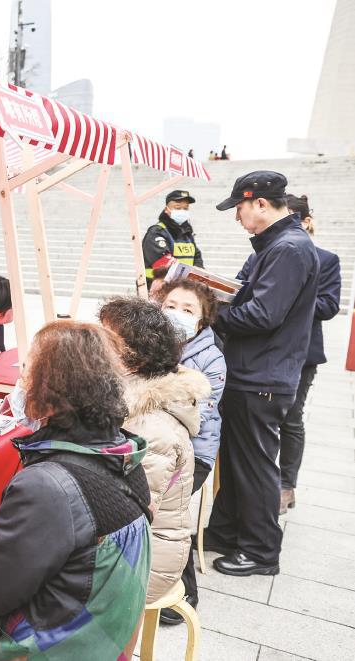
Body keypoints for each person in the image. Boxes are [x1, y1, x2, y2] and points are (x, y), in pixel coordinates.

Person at [0, 320, 152, 660]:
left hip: (57, 648)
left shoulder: (49, 485)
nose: (22, 382)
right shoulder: (124, 455)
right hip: (104, 639)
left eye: (28, 371)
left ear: (51, 390)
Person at [204, 171, 318, 577]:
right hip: (253, 370)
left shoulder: (289, 248)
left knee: (254, 465)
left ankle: (260, 550)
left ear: (261, 204)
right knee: (238, 461)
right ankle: (227, 532)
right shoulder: (277, 245)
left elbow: (263, 314)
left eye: (239, 208)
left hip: (263, 375)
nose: (238, 217)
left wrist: (210, 313)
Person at [98, 296, 209, 605]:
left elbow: (128, 516)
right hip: (129, 546)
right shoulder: (128, 399)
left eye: (104, 340)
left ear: (133, 360)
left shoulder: (150, 428)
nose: (92, 346)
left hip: (142, 564)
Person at [155, 278, 226, 624]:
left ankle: (184, 593)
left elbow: (199, 416)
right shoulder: (148, 342)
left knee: (165, 508)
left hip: (193, 452)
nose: (177, 314)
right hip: (154, 443)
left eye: (187, 309)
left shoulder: (212, 359)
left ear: (202, 319)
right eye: (170, 306)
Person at [278, 194, 341, 513]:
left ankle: (286, 485)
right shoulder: (269, 254)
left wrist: (288, 298)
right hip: (267, 349)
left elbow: (329, 306)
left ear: (305, 222)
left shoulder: (326, 260)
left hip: (303, 353)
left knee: (291, 418)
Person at [142, 190, 204, 289]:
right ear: (167, 209)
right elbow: (163, 261)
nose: (182, 211)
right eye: (177, 208)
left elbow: (197, 257)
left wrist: (197, 275)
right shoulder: (156, 232)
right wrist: (189, 278)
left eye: (186, 208)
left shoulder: (187, 233)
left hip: (183, 287)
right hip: (158, 288)